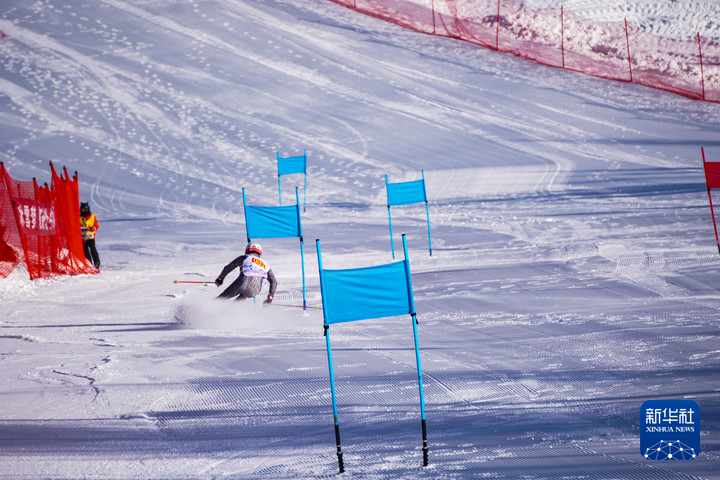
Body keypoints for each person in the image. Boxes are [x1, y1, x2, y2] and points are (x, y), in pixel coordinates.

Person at [80, 202, 101, 269]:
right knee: (85, 251)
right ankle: (89, 264)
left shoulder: (92, 217)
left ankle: (97, 262)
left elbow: (96, 226)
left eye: (86, 210)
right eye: (83, 210)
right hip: (83, 237)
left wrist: (92, 228)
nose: (84, 211)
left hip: (91, 236)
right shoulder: (79, 217)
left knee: (93, 249)